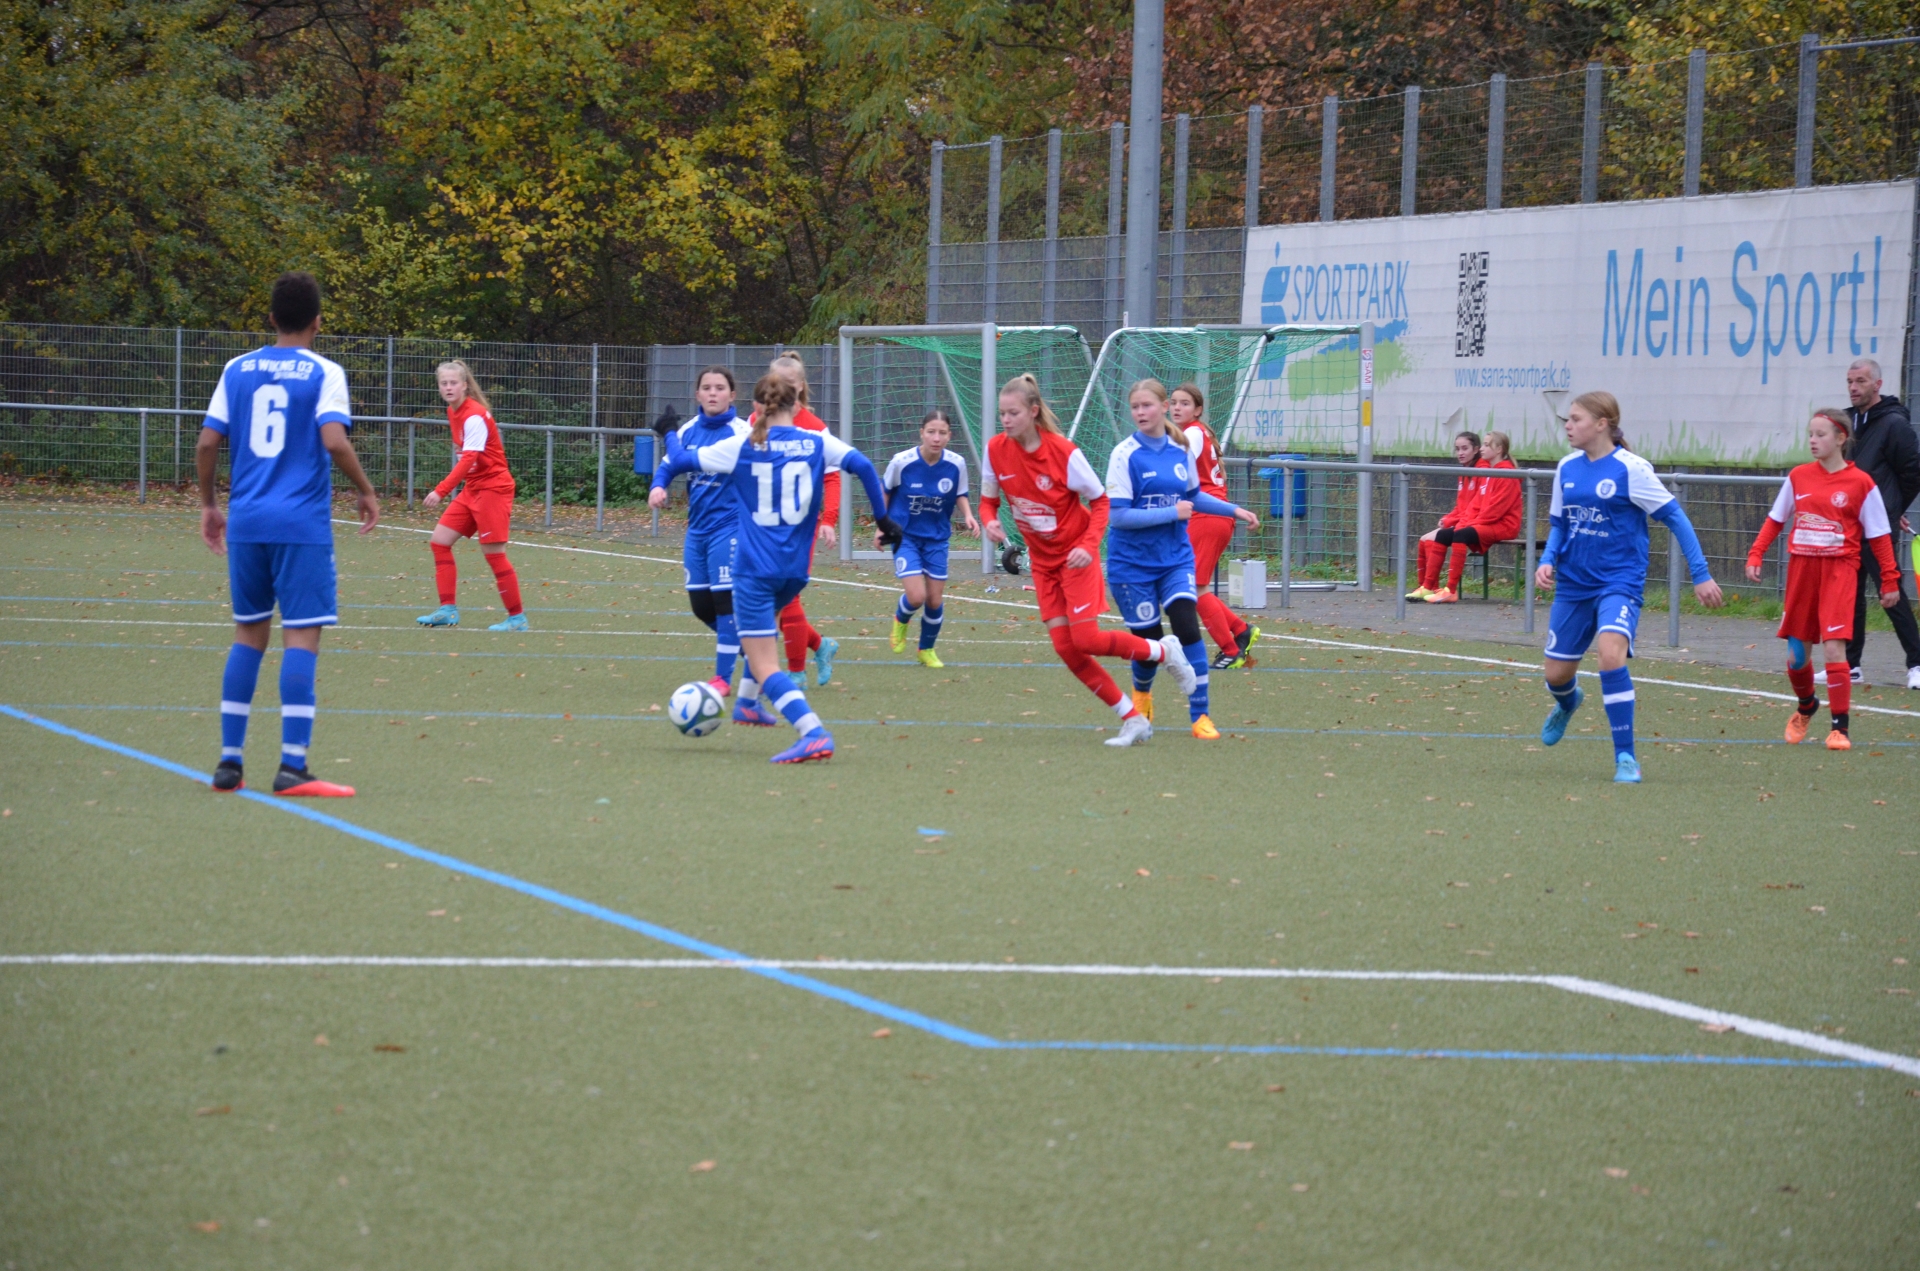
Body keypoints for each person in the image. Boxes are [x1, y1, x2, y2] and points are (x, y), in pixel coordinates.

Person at [655, 372, 900, 763]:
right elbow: (864, 466)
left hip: (755, 569)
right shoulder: (816, 441)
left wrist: (669, 432)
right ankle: (747, 704)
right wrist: (884, 521)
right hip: (794, 570)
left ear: (756, 407)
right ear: (797, 404)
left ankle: (812, 732)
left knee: (764, 663)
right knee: (764, 633)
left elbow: (682, 460)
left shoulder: (742, 445)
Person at [196, 270, 377, 797]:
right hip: (300, 525)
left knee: (248, 634)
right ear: (318, 322)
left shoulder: (236, 368)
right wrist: (365, 489)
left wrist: (209, 504)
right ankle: (292, 767)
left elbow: (207, 443)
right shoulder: (325, 372)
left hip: (248, 522)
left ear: (272, 318)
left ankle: (229, 764)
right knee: (301, 636)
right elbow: (334, 441)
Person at [979, 374, 1198, 748]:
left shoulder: (1063, 452)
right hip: (1043, 563)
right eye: (1002, 413)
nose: (1006, 420)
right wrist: (989, 521)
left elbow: (1101, 502)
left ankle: (1164, 650)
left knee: (1086, 638)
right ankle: (1132, 719)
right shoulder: (996, 450)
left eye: (1013, 412)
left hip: (1075, 558)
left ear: (1033, 412)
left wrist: (1088, 545)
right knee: (1067, 648)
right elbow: (988, 501)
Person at [1533, 391, 1723, 783]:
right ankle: (1568, 703)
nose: (1568, 426)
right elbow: (1560, 524)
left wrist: (1701, 573)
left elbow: (1677, 519)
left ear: (1601, 424)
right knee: (1555, 676)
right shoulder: (1566, 467)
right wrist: (1547, 559)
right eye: (1567, 420)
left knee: (1610, 656)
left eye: (1576, 419)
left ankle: (1626, 758)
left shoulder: (1631, 470)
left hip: (1618, 582)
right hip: (1573, 585)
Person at [1108, 380, 1262, 740]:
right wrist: (1171, 512)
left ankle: (1201, 716)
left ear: (1163, 407)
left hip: (1174, 559)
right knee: (1148, 642)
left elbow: (1194, 496)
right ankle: (1142, 698)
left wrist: (1234, 509)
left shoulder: (1180, 449)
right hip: (1133, 563)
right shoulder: (1124, 454)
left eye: (1147, 405)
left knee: (1187, 627)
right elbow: (1118, 516)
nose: (1141, 412)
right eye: (1135, 407)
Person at [1746, 409, 1903, 749]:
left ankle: (1839, 729)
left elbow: (1879, 536)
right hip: (1802, 571)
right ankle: (1807, 705)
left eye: (1820, 435)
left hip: (1839, 571)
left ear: (1841, 438)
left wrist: (1890, 579)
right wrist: (1756, 553)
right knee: (1796, 657)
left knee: (1834, 648)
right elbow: (1776, 519)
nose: (1813, 441)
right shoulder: (1799, 476)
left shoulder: (1861, 483)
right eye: (1810, 434)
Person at [648, 367, 749, 695]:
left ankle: (722, 679)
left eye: (720, 387)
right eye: (706, 387)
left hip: (731, 527)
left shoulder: (741, 432)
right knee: (701, 607)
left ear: (732, 395)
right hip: (698, 530)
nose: (713, 393)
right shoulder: (689, 430)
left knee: (724, 602)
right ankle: (755, 654)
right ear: (697, 395)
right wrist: (658, 486)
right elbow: (669, 465)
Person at [415, 361, 527, 631]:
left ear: (465, 385)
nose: (448, 387)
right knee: (440, 542)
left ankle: (517, 618)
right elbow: (466, 458)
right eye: (444, 383)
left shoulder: (474, 415)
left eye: (453, 383)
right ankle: (448, 610)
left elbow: (468, 460)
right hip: (474, 488)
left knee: (494, 554)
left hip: (493, 489)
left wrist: (441, 490)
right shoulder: (452, 411)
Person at [1834, 357, 1920, 690]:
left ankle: (1916, 663)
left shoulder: (1895, 424)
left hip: (1877, 526)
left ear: (1878, 385)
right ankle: (1851, 665)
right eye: (1849, 381)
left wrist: (1892, 508)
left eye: (1860, 381)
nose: (1853, 387)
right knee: (1850, 594)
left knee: (1890, 590)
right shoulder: (1848, 422)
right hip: (1848, 525)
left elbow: (1911, 473)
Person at [1169, 382, 1261, 668]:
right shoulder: (1194, 432)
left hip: (1208, 517)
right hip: (1209, 516)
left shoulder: (1192, 434)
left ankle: (1231, 650)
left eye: (1185, 403)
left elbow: (1181, 469)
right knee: (1193, 586)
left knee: (1194, 588)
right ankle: (1241, 630)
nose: (1177, 407)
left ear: (1198, 410)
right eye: (1174, 402)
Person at [765, 354, 841, 685]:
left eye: (789, 385)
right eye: (776, 384)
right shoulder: (757, 420)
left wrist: (828, 519)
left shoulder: (815, 428)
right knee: (768, 597)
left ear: (801, 387)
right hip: (763, 526)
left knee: (787, 595)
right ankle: (820, 646)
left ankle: (796, 673)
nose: (783, 390)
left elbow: (833, 477)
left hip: (799, 527)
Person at [882, 409, 978, 668]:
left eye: (942, 433)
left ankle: (926, 650)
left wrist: (968, 515)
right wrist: (882, 525)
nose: (936, 438)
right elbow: (885, 491)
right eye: (931, 432)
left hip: (937, 539)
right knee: (916, 597)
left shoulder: (956, 464)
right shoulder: (902, 462)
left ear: (949, 436)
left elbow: (960, 493)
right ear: (921, 433)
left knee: (934, 599)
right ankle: (901, 619)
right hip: (904, 536)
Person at [1423, 430, 1523, 603]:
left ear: (1499, 449)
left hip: (1504, 526)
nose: (1482, 448)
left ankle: (1450, 590)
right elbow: (1475, 505)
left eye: (1486, 445)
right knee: (1443, 535)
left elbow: (1495, 511)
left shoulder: (1507, 474)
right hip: (1487, 523)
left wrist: (1469, 525)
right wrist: (1463, 522)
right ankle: (1427, 586)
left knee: (1461, 534)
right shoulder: (1490, 473)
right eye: (1483, 444)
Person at [1407, 430, 1484, 601]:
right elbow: (1461, 506)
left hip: (1472, 523)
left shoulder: (1482, 471)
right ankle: (1426, 587)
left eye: (1465, 448)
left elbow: (1475, 507)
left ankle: (1432, 587)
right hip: (1464, 520)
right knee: (1423, 539)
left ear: (1476, 449)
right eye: (1457, 449)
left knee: (1434, 538)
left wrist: (1453, 521)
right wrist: (1448, 518)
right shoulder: (1465, 472)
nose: (1460, 453)